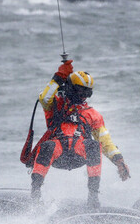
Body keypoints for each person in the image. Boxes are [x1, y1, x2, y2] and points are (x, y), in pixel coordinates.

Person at [30, 59, 130, 208]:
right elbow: (44, 97)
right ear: (70, 88)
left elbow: (105, 142)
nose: (82, 95)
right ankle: (35, 196)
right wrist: (58, 77)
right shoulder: (55, 106)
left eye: (86, 92)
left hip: (79, 155)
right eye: (79, 91)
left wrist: (119, 161)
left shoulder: (93, 114)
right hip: (57, 152)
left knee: (94, 146)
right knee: (47, 146)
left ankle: (93, 198)